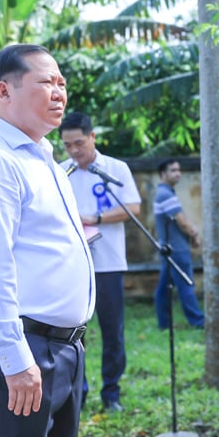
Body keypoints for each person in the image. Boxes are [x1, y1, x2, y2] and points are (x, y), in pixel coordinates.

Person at [0, 44, 95, 436]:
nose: (59, 92)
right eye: (46, 82)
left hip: (62, 349)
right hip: (22, 347)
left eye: (62, 82)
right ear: (4, 91)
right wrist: (15, 358)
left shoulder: (42, 157)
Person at [58, 111, 141, 414]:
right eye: (67, 146)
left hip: (107, 263)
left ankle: (111, 392)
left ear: (92, 137)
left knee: (112, 330)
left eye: (79, 143)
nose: (74, 151)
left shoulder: (115, 169)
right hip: (72, 267)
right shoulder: (59, 171)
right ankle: (76, 392)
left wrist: (95, 219)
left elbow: (133, 208)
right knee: (72, 332)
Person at [152, 158, 205, 330]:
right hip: (177, 249)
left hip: (170, 248)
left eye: (179, 170)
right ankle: (198, 321)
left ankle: (164, 324)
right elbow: (182, 222)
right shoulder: (165, 194)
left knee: (163, 289)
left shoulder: (165, 193)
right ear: (163, 174)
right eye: (173, 170)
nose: (178, 173)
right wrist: (194, 234)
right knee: (186, 285)